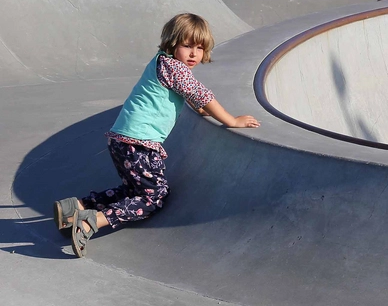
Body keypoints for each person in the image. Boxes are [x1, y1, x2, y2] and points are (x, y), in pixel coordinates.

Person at [52, 13, 260, 258]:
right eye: (187, 46)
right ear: (172, 44)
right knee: (153, 198)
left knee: (134, 191)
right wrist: (231, 120)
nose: (194, 54)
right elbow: (201, 94)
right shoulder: (175, 68)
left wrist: (202, 110)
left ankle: (77, 206)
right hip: (140, 144)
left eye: (200, 48)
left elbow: (192, 99)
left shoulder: (161, 63)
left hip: (121, 139)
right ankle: (89, 222)